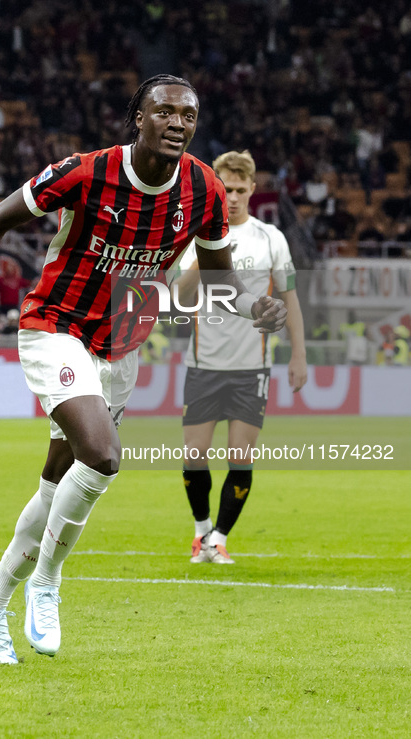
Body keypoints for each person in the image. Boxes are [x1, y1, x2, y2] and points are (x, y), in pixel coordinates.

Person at [0, 75, 287, 664]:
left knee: (55, 485)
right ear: (137, 118)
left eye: (188, 115)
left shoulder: (203, 188)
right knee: (103, 454)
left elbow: (218, 279)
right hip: (54, 326)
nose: (177, 123)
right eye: (163, 112)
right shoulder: (86, 171)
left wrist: (252, 304)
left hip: (122, 343)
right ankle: (47, 583)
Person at [173, 150, 307, 564]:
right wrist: (205, 251)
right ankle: (200, 532)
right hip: (204, 365)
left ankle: (219, 539)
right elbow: (180, 298)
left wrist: (298, 354)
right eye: (224, 189)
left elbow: (290, 298)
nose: (231, 197)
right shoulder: (196, 236)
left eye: (239, 189)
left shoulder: (271, 238)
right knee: (194, 456)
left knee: (239, 456)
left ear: (251, 189)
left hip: (252, 368)